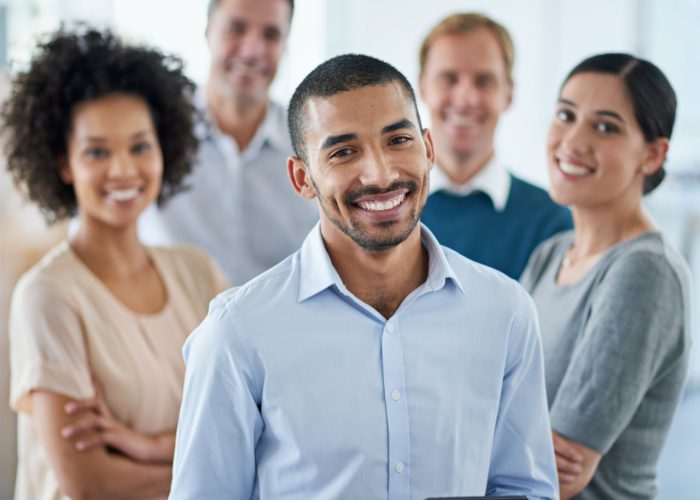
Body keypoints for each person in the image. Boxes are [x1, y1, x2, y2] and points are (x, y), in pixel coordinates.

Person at [170, 54, 558, 500]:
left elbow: (525, 490)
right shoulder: (236, 333)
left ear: (428, 150)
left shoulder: (504, 311)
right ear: (302, 178)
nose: (381, 173)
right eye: (343, 152)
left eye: (398, 140)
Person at [3, 27, 228, 500]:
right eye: (97, 151)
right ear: (64, 163)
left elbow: (245, 424)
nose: (124, 170)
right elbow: (92, 484)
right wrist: (208, 467)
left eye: (140, 146)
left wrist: (147, 448)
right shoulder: (47, 295)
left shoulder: (198, 272)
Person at [520, 53, 692, 499]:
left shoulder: (643, 272)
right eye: (566, 115)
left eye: (605, 126)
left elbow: (554, 477)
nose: (572, 141)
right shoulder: (551, 255)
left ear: (652, 155)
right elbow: (485, 387)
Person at [138, 0, 318, 284]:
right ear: (208, 31)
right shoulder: (149, 135)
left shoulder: (312, 144)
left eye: (271, 35)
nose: (252, 50)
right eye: (236, 28)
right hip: (172, 325)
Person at [418, 13, 572, 279]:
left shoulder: (550, 221)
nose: (465, 98)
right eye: (449, 79)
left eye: (483, 80)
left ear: (509, 93)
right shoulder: (386, 209)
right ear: (422, 87)